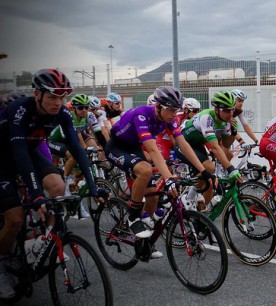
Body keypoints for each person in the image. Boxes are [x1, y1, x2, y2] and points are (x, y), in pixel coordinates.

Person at [0, 69, 104, 298]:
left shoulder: (62, 113)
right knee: (15, 219)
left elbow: (77, 150)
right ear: (36, 94)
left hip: (30, 152)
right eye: (52, 97)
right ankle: (1, 262)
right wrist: (36, 193)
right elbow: (19, 155)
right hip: (5, 158)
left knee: (58, 188)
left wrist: (93, 185)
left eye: (62, 97)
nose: (58, 103)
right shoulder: (19, 110)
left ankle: (43, 241)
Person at [105, 86, 215, 244]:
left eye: (176, 110)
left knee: (153, 197)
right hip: (116, 147)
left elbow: (184, 145)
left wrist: (203, 171)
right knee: (145, 170)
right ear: (158, 106)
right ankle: (133, 217)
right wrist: (169, 178)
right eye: (170, 110)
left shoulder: (169, 119)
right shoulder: (141, 115)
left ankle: (143, 243)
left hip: (134, 147)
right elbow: (152, 150)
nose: (173, 114)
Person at [174, 91, 242, 210]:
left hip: (197, 145)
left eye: (232, 110)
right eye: (226, 110)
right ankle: (188, 198)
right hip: (183, 144)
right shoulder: (207, 117)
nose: (230, 113)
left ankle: (204, 211)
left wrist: (233, 132)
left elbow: (225, 144)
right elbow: (215, 147)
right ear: (216, 110)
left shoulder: (226, 122)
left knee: (210, 181)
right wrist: (230, 168)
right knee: (210, 168)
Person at [48, 94, 99, 195]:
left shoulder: (86, 116)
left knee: (82, 166)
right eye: (80, 108)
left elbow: (88, 133)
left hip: (69, 141)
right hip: (55, 141)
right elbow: (77, 137)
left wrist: (97, 145)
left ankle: (74, 186)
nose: (84, 110)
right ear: (75, 108)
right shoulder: (71, 117)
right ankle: (65, 180)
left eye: (86, 107)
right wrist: (85, 148)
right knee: (74, 155)